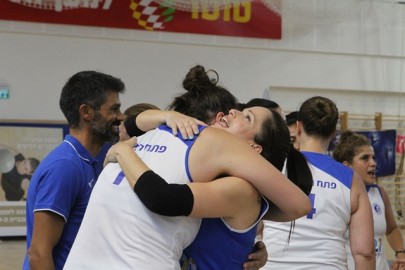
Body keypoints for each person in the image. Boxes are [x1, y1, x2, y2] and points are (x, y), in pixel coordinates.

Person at [63, 65, 312, 270]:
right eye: (239, 109)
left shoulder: (239, 186)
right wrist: (164, 116)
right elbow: (131, 123)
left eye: (247, 117)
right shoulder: (195, 167)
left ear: (253, 148)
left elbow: (163, 198)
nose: (233, 112)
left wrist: (125, 151)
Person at [23, 70, 125, 270]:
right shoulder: (65, 167)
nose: (120, 117)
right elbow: (38, 254)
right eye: (114, 109)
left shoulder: (97, 157)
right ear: (86, 112)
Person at [262, 96, 375, 269]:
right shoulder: (351, 179)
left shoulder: (273, 166)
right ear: (333, 133)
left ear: (298, 127)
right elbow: (364, 252)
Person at [333, 130, 405, 270]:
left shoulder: (380, 193)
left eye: (373, 157)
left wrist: (401, 254)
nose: (373, 163)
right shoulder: (337, 196)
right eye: (365, 158)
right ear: (347, 166)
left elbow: (391, 229)